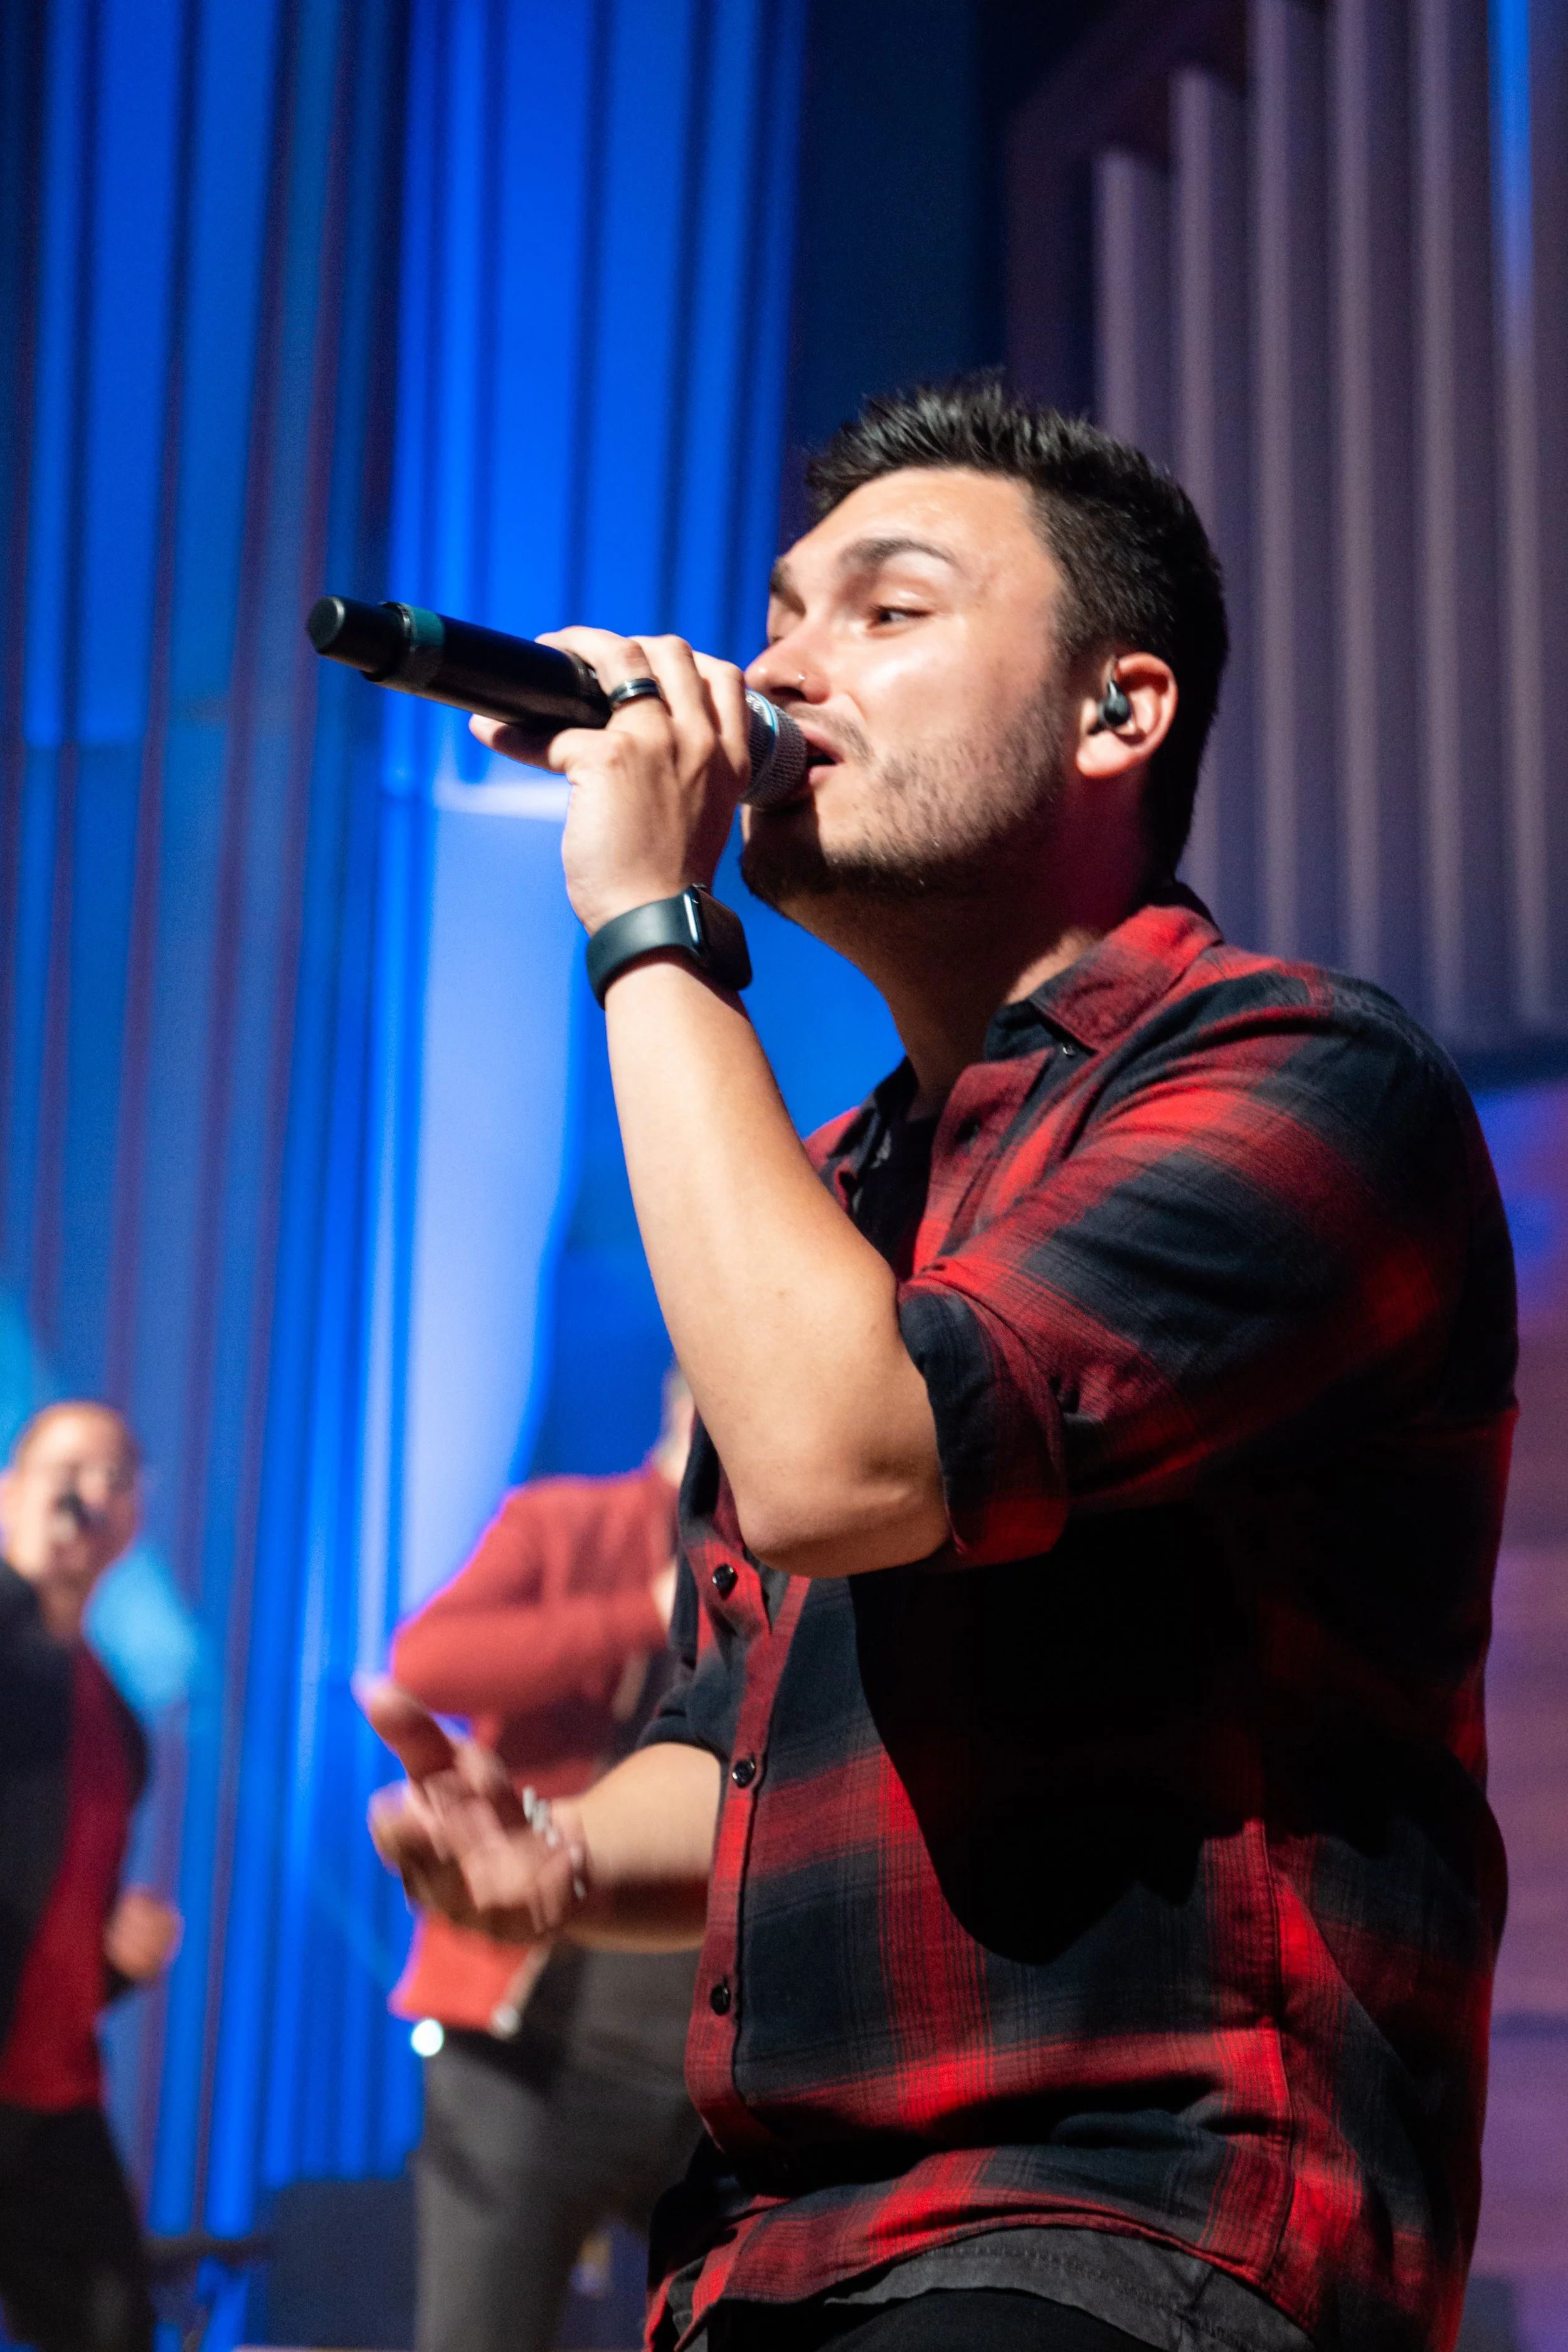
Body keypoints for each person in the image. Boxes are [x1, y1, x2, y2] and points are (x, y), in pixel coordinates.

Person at [364, 381, 1516, 2352]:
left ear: (1115, 712)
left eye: (883, 613)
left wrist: (650, 917)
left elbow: (845, 1458)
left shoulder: (1305, 1082)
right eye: (779, 615)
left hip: (1128, 2228)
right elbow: (734, 1729)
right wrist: (554, 1860)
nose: (780, 670)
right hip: (778, 2249)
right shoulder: (831, 1196)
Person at [386, 1370, 702, 2352]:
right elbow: (429, 1660)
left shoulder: (811, 1565)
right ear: (686, 1403)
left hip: (711, 2074)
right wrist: (646, 1611)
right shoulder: (573, 1519)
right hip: (529, 2053)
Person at [0, 1402, 182, 2352]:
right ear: (10, 1493)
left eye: (115, 1476)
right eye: (68, 1471)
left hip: (55, 2094)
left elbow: (61, 1918)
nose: (90, 1493)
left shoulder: (116, 1718)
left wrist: (121, 1954)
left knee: (114, 2328)